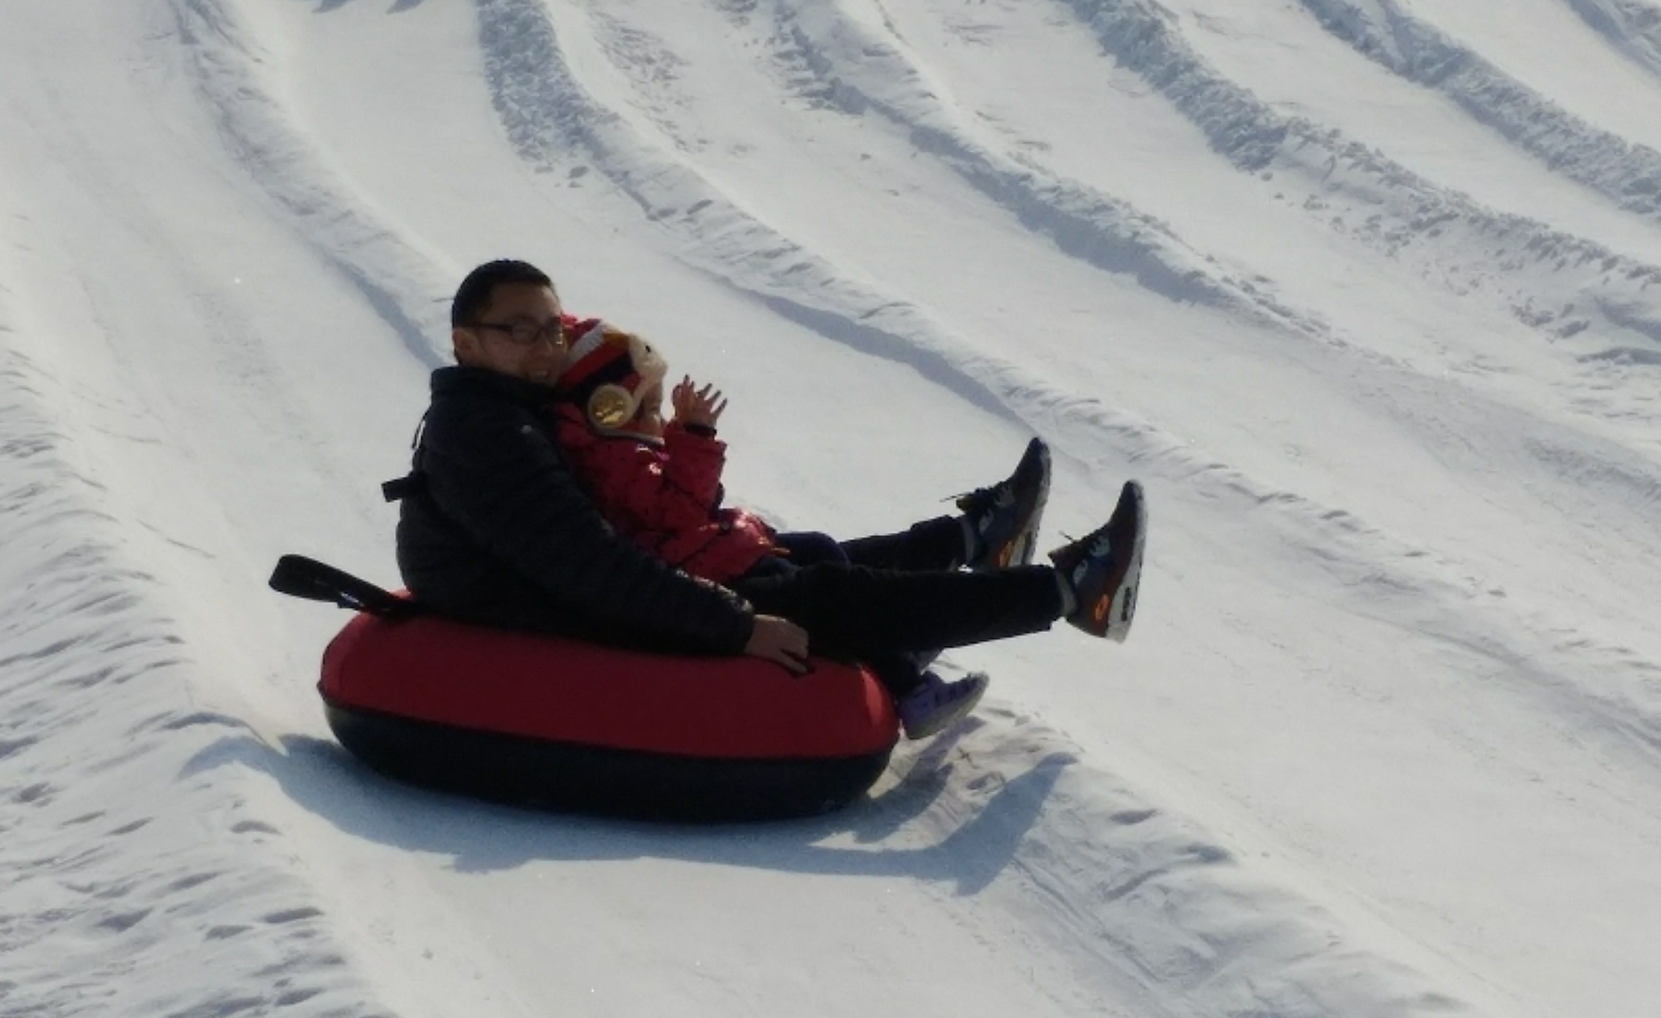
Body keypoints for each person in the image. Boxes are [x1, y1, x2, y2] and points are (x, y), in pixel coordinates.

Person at [386, 260, 1144, 692]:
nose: (544, 345)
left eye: (551, 327)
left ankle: (979, 539)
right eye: (520, 331)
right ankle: (1071, 592)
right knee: (825, 595)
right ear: (466, 342)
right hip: (579, 615)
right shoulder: (484, 433)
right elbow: (588, 565)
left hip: (630, 578)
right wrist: (735, 625)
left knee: (803, 556)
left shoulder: (515, 413)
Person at [549, 315, 1045, 737]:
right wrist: (693, 437)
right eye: (650, 408)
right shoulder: (616, 462)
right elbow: (679, 511)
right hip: (711, 575)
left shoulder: (615, 450)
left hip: (714, 553)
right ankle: (908, 686)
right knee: (833, 589)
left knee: (823, 549)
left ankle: (978, 539)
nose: (658, 419)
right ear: (608, 410)